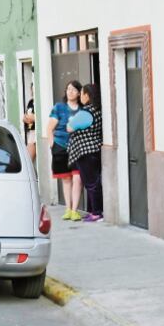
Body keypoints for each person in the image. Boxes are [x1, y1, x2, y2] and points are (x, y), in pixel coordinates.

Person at [47, 80, 84, 221]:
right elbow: (49, 128)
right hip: (60, 147)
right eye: (68, 89)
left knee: (78, 178)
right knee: (66, 179)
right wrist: (52, 146)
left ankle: (75, 210)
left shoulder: (82, 110)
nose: (70, 92)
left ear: (79, 93)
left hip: (77, 148)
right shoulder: (59, 107)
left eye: (73, 90)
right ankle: (68, 209)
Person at [68, 83, 104, 222]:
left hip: (85, 152)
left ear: (87, 96)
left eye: (82, 93)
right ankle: (93, 211)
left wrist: (71, 121)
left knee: (91, 183)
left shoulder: (85, 112)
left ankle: (96, 212)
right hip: (94, 150)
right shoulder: (98, 110)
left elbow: (69, 128)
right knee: (94, 182)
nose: (80, 96)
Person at [22, 83, 37, 164]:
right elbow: (26, 115)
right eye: (32, 89)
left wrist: (33, 118)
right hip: (31, 132)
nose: (33, 91)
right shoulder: (31, 102)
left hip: (38, 132)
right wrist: (25, 119)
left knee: (29, 160)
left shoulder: (40, 102)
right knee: (29, 160)